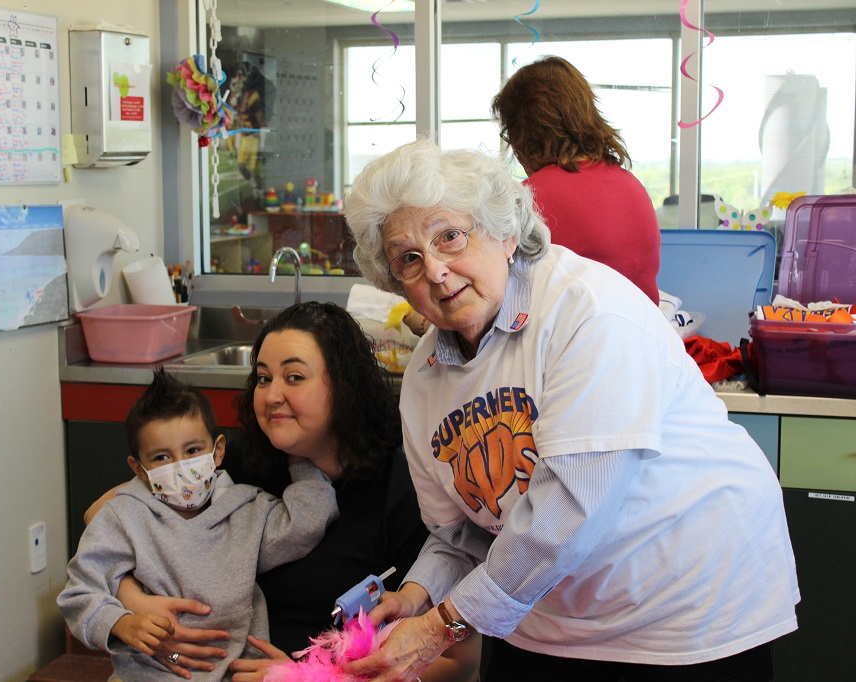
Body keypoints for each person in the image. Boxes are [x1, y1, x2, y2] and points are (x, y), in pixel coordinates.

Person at [341, 139, 799, 681]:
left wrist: (443, 626)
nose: (437, 271)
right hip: (540, 612)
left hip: (685, 613)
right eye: (408, 259)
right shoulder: (424, 376)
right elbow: (459, 532)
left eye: (450, 237)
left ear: (505, 234)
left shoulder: (590, 313)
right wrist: (418, 595)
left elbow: (568, 511)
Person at [86, 302, 481, 681]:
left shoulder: (402, 489)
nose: (272, 395)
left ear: (343, 387)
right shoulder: (237, 465)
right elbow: (104, 517)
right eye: (262, 378)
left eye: (294, 377)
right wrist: (137, 606)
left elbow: (459, 662)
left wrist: (314, 678)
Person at [58, 371, 339, 682]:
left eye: (192, 451)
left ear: (217, 451)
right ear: (138, 468)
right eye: (162, 457)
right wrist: (121, 623)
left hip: (236, 672)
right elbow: (78, 595)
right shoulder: (123, 515)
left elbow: (306, 524)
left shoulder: (249, 510)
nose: (180, 466)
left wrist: (299, 459)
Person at [492, 55, 661, 305]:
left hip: (578, 341)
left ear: (522, 134)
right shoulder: (632, 187)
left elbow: (494, 299)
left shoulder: (529, 201)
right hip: (646, 338)